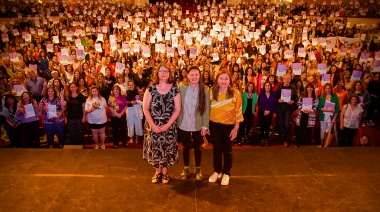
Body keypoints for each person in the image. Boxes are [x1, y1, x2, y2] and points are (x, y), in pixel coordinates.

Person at [142, 64, 181, 184]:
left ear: (170, 73)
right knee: (155, 149)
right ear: (157, 73)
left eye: (166, 71)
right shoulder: (151, 89)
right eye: (161, 71)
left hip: (168, 126)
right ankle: (157, 172)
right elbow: (145, 108)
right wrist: (153, 125)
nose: (164, 73)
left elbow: (178, 109)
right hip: (153, 126)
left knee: (167, 149)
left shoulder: (175, 89)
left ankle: (165, 173)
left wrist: (167, 125)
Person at [208, 70, 243, 186]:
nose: (223, 81)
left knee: (227, 151)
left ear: (230, 81)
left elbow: (238, 111)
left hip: (229, 126)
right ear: (217, 80)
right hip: (214, 126)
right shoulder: (211, 92)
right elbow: (207, 109)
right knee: (216, 150)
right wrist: (206, 124)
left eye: (226, 79)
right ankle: (217, 171)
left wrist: (236, 128)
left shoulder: (235, 93)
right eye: (221, 78)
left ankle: (226, 172)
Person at [177, 66, 210, 181]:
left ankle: (198, 169)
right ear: (187, 75)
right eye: (192, 74)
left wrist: (205, 125)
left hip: (198, 123)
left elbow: (206, 108)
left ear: (200, 76)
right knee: (185, 146)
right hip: (184, 121)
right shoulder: (182, 87)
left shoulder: (205, 89)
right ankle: (186, 168)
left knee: (197, 146)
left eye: (196, 74)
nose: (194, 77)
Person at [276, 73, 298, 147]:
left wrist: (293, 101)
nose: (287, 80)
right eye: (285, 79)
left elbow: (296, 98)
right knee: (279, 124)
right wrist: (278, 100)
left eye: (288, 79)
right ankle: (281, 138)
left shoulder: (293, 88)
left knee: (287, 124)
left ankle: (286, 139)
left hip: (289, 107)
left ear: (291, 79)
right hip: (280, 107)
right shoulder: (279, 88)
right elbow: (275, 98)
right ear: (282, 79)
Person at [294, 83, 319, 148]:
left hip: (310, 114)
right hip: (302, 113)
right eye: (308, 87)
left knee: (308, 129)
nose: (309, 89)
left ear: (313, 89)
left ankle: (306, 143)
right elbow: (298, 104)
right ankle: (297, 143)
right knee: (300, 128)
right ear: (306, 88)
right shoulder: (303, 95)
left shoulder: (315, 97)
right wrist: (302, 109)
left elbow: (316, 106)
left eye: (311, 87)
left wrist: (311, 111)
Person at [318, 83, 340, 147]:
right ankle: (321, 143)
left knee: (329, 130)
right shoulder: (321, 96)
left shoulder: (335, 96)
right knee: (322, 130)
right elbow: (319, 107)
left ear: (331, 89)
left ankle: (327, 143)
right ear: (324, 89)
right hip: (323, 116)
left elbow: (337, 108)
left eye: (329, 88)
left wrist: (334, 118)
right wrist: (323, 109)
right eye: (326, 88)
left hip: (331, 117)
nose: (328, 90)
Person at [258, 81, 277, 146]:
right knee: (262, 125)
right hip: (262, 112)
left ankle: (266, 138)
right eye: (266, 85)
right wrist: (264, 111)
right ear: (264, 86)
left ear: (270, 86)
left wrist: (269, 111)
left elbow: (274, 103)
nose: (267, 87)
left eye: (268, 85)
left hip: (270, 112)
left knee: (267, 125)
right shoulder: (261, 93)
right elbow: (259, 103)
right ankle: (261, 138)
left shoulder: (274, 94)